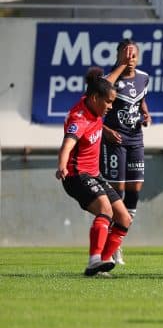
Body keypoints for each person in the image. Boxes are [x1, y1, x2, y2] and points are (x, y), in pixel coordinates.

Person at [56, 67, 132, 277]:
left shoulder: (92, 96)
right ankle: (94, 260)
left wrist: (123, 65)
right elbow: (67, 144)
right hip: (76, 175)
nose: (110, 106)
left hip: (94, 174)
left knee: (124, 218)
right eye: (108, 102)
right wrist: (62, 165)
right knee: (105, 210)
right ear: (95, 98)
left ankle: (103, 262)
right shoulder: (79, 118)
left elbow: (107, 81)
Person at [101, 38, 151, 266]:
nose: (131, 59)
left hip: (135, 139)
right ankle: (111, 245)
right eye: (126, 54)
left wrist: (146, 114)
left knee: (134, 189)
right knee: (116, 191)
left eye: (134, 55)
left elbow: (141, 101)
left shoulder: (144, 78)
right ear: (119, 56)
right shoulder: (107, 80)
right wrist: (107, 131)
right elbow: (92, 114)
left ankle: (118, 241)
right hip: (114, 141)